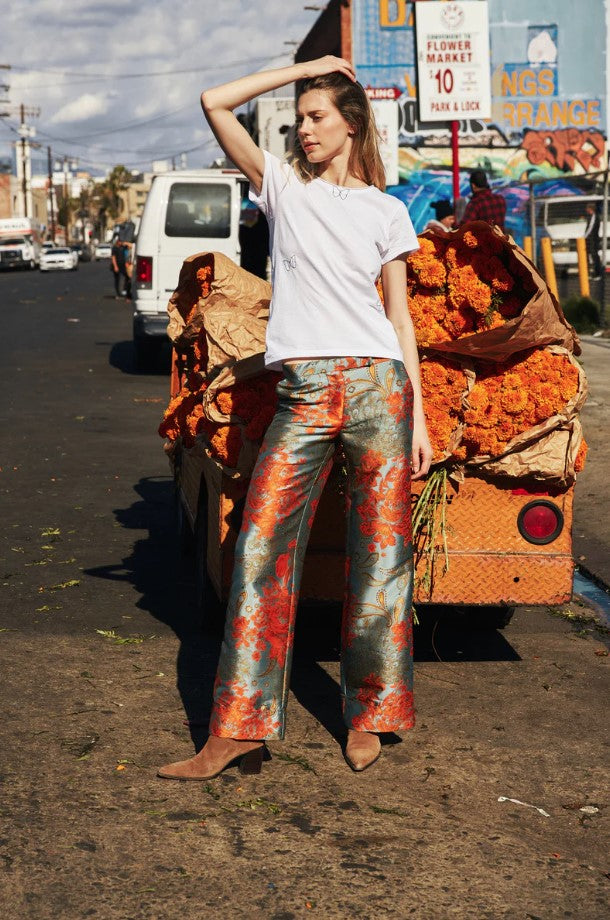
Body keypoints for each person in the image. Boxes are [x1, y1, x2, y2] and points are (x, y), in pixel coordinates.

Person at [157, 55, 433, 782]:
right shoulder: (282, 188)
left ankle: (370, 711)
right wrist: (302, 69)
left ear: (351, 124)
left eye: (316, 117)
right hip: (306, 393)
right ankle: (238, 727)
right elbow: (214, 100)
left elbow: (399, 321)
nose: (303, 129)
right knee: (257, 551)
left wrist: (423, 420)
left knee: (381, 562)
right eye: (299, 117)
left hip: (380, 388)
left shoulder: (386, 210)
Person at [584, 202, 602, 279]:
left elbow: (590, 228)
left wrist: (584, 237)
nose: (586, 210)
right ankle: (592, 273)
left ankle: (598, 274)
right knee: (589, 255)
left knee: (595, 256)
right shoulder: (591, 216)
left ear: (590, 209)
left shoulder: (594, 217)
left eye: (587, 208)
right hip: (590, 240)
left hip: (593, 240)